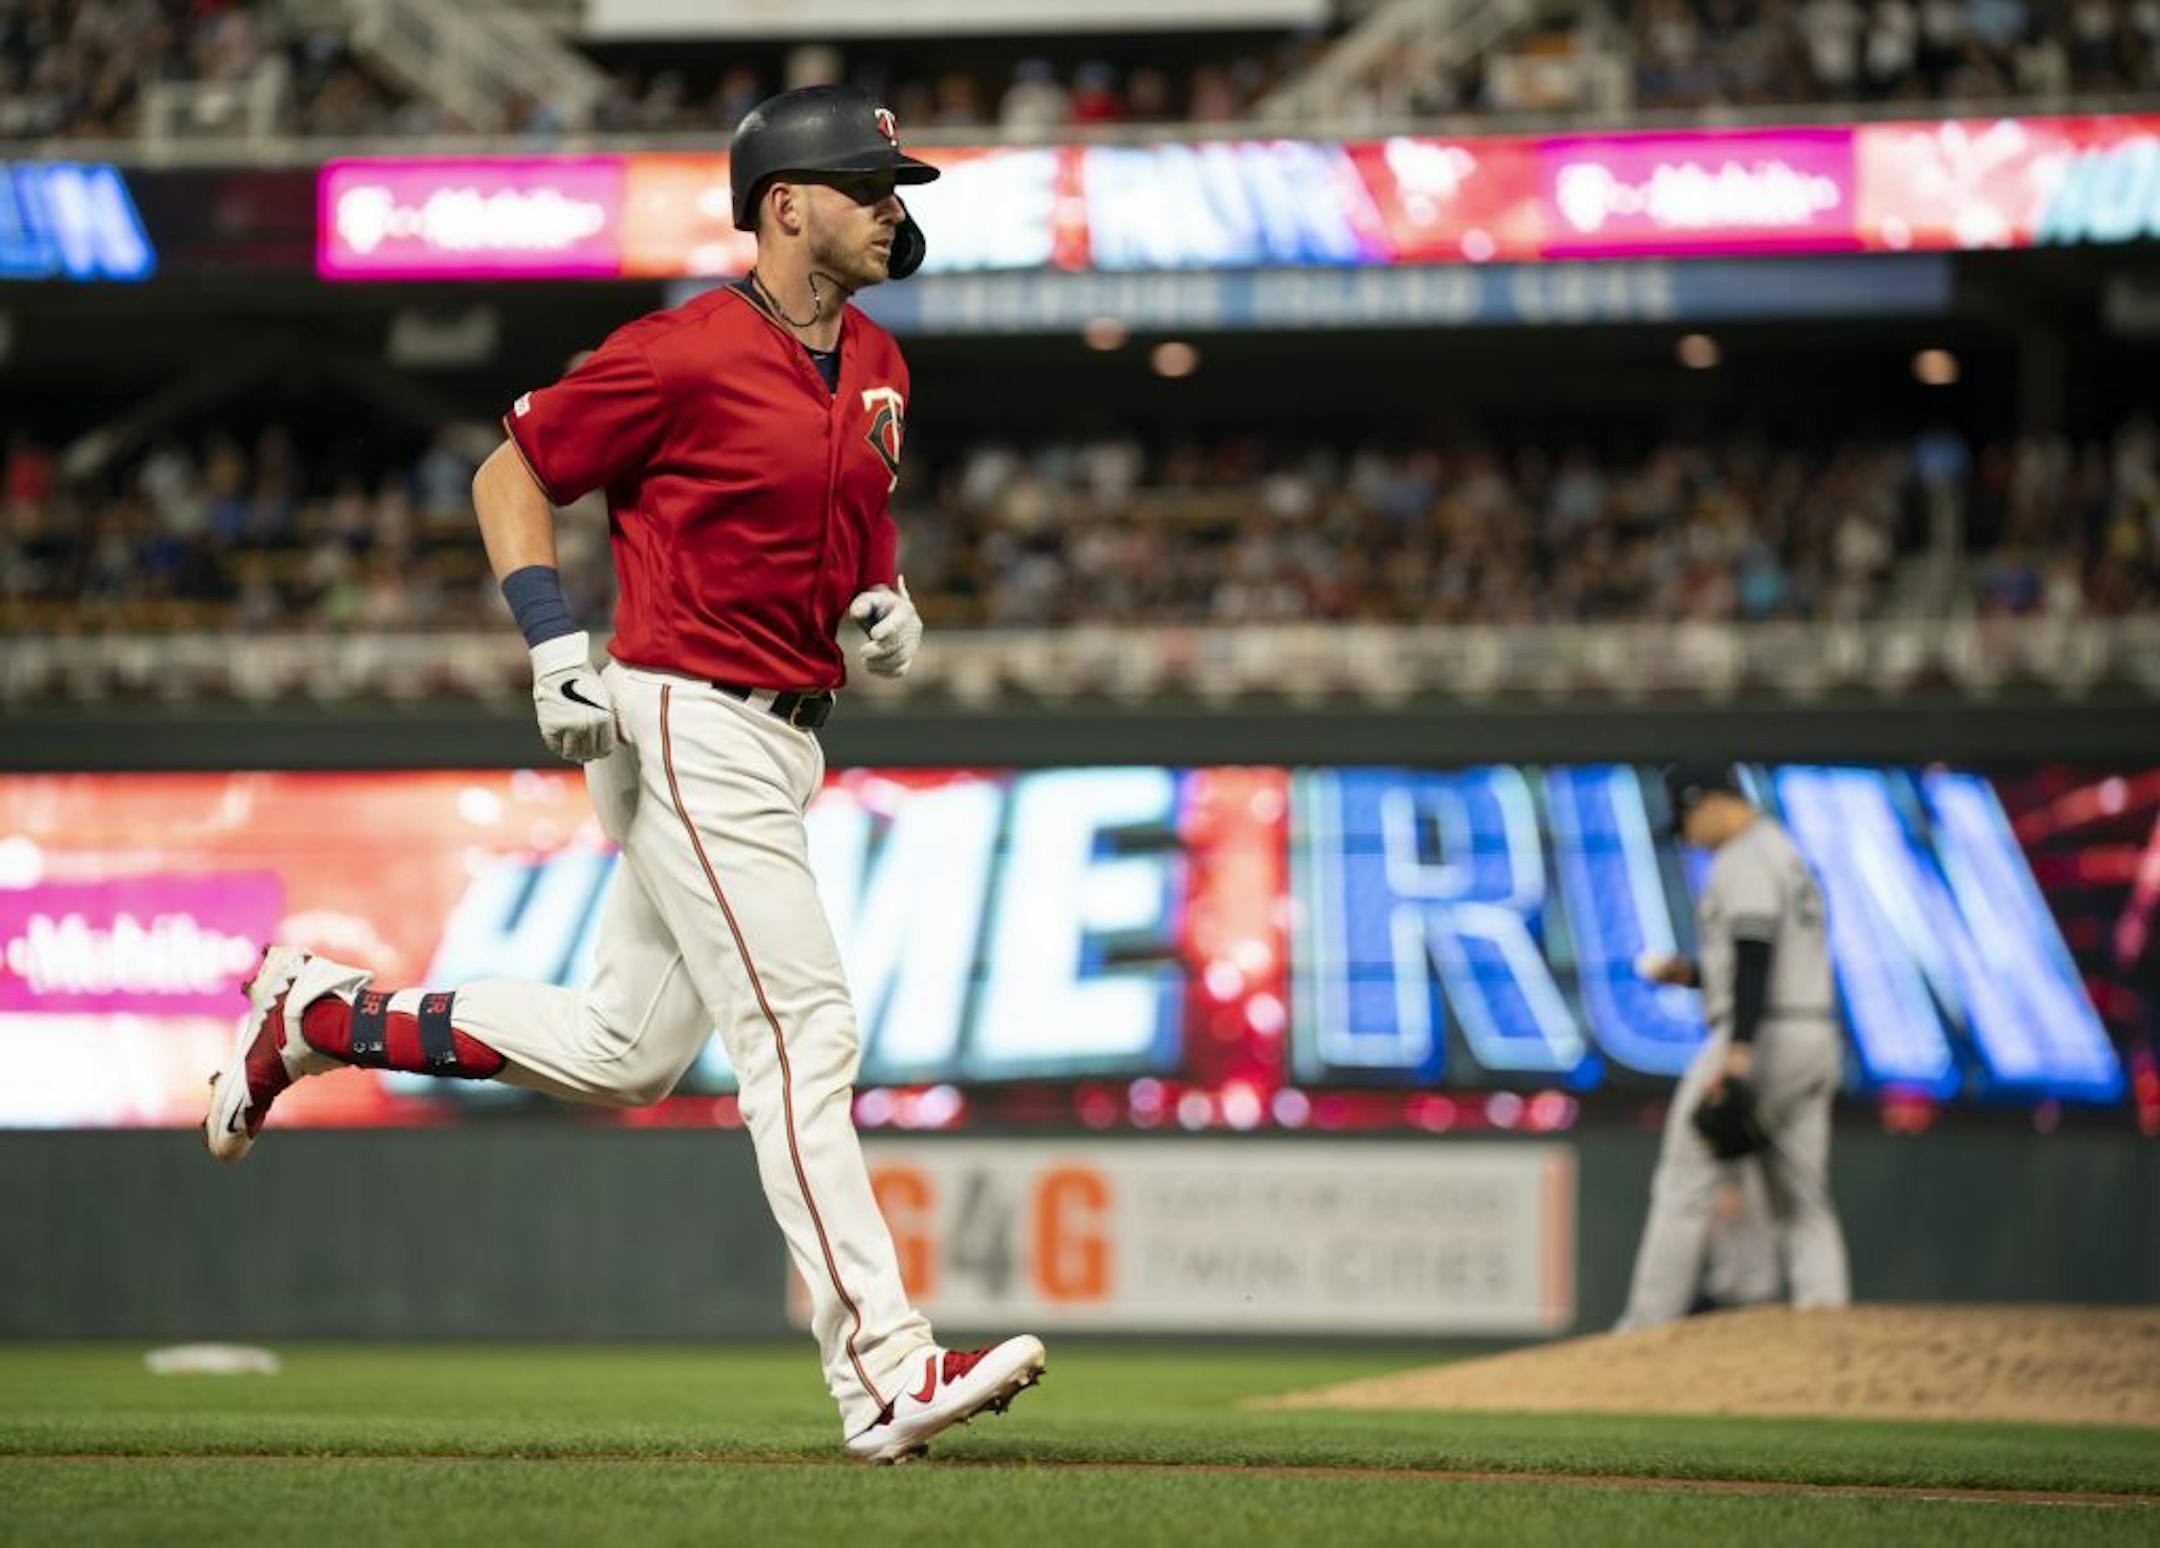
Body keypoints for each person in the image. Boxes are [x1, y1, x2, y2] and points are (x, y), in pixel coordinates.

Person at [202, 85, 1045, 1463]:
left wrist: (880, 600)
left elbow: (849, 528)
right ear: (786, 208)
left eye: (896, 185)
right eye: (868, 183)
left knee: (625, 1052)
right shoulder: (685, 350)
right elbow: (508, 475)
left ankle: (319, 1018)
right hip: (683, 716)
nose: (896, 205)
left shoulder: (884, 361)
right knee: (801, 1033)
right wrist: (551, 643)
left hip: (781, 734)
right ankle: (885, 1370)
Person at [1616, 764, 1852, 1330]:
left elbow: (1754, 954)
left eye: (1688, 820)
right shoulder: (1785, 852)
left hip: (1762, 1035)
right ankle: (1827, 1323)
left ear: (1709, 801)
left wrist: (1740, 1052)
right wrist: (1693, 976)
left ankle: (1643, 1331)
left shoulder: (1742, 857)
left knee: (1682, 1183)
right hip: (1814, 1032)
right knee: (1802, 1197)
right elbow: (1764, 962)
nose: (1689, 836)